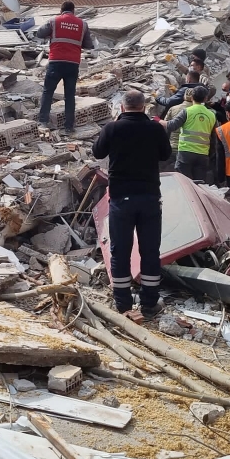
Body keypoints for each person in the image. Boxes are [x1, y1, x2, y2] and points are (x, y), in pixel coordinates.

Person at [92, 89, 171, 317]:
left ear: (123, 107)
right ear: (144, 107)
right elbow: (165, 155)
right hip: (149, 197)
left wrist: (114, 125)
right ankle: (148, 303)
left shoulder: (113, 128)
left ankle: (123, 305)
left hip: (120, 199)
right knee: (149, 251)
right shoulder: (155, 129)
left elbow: (98, 152)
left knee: (120, 252)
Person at [35, 1, 94, 133]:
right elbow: (88, 45)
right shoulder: (82, 24)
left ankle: (43, 122)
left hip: (56, 61)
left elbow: (39, 33)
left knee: (48, 92)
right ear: (73, 11)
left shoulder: (54, 21)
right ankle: (69, 127)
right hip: (73, 63)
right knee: (70, 95)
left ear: (61, 10)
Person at [162, 85, 216, 182]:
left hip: (185, 152)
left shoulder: (187, 111)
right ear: (206, 98)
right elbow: (214, 138)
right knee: (199, 184)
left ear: (192, 97)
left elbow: (171, 126)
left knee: (184, 182)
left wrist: (159, 121)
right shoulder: (212, 115)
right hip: (202, 154)